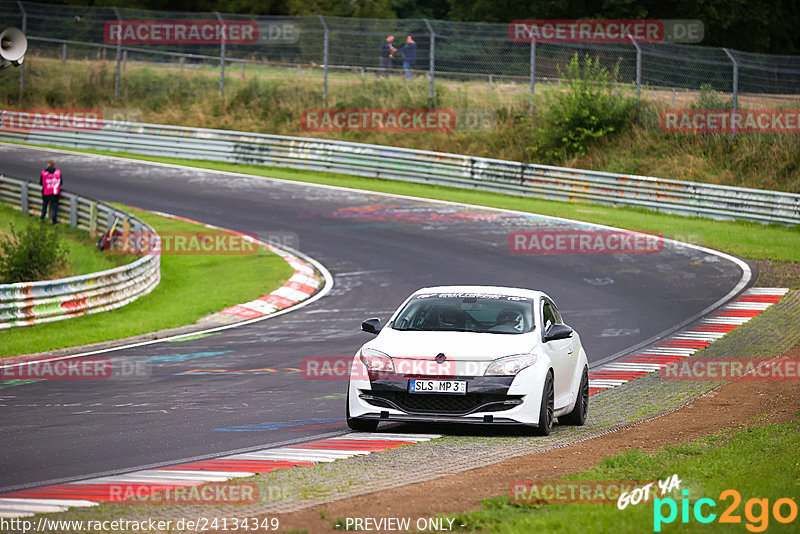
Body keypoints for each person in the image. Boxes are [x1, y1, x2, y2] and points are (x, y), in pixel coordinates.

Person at [40, 159, 62, 225]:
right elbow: (60, 182)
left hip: (46, 193)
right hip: (54, 194)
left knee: (44, 207)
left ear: (49, 165)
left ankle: (42, 220)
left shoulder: (44, 173)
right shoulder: (57, 173)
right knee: (54, 208)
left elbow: (41, 183)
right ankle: (54, 222)